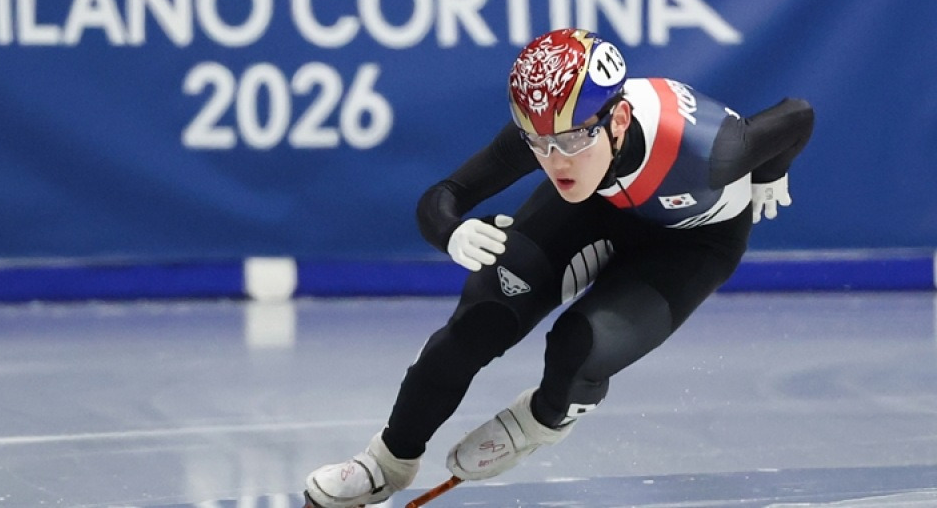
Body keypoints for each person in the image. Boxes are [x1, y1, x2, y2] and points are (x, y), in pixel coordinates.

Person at [302, 28, 815, 508]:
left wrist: (770, 170)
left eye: (571, 141)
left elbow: (798, 114)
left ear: (617, 120)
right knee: (482, 317)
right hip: (596, 205)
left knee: (579, 346)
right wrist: (451, 232)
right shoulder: (554, 127)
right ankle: (385, 463)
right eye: (539, 144)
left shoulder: (711, 150)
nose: (555, 161)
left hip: (691, 241)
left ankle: (544, 419)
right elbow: (444, 196)